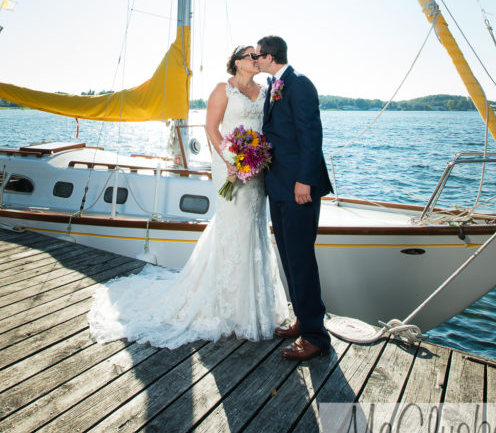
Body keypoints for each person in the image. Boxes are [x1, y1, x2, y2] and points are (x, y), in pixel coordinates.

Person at [88, 45, 288, 348]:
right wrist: (232, 159)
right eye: (250, 56)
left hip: (257, 170)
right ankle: (227, 306)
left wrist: (256, 158)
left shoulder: (265, 90)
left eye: (258, 56)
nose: (256, 60)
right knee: (232, 227)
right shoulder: (224, 89)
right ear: (237, 62)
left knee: (255, 227)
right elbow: (211, 128)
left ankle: (253, 306)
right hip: (229, 166)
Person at [255, 35, 333, 361]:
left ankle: (316, 336)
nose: (254, 59)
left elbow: (311, 135)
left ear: (270, 57)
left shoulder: (299, 84)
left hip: (299, 190)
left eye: (257, 55)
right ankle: (303, 319)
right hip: (278, 188)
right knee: (289, 257)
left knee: (301, 260)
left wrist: (305, 181)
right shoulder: (275, 85)